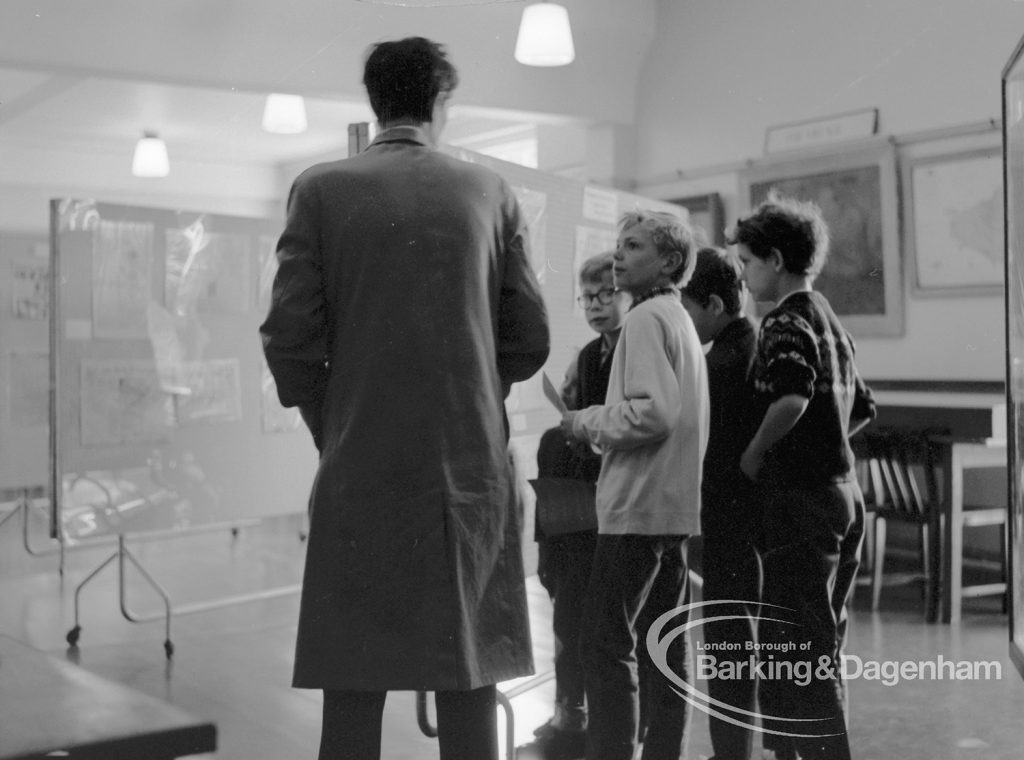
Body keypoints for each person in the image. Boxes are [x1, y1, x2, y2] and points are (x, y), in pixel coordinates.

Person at [259, 37, 550, 760]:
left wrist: (337, 421)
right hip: (467, 469)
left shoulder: (321, 189)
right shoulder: (490, 192)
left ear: (374, 102)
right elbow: (530, 336)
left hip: (362, 463)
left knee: (352, 691)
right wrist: (472, 395)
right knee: (468, 679)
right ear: (441, 102)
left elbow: (289, 338)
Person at [730, 192, 875, 760]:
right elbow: (861, 407)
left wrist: (755, 453)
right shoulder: (830, 318)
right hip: (844, 495)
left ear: (774, 259)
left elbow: (791, 397)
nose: (743, 276)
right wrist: (828, 440)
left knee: (798, 646)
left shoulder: (784, 320)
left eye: (746, 263)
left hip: (803, 501)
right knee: (819, 638)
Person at [562, 209, 709, 760]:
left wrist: (584, 421)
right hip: (670, 508)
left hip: (639, 507)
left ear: (669, 261)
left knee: (603, 644)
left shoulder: (647, 319)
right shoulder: (676, 318)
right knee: (663, 649)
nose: (619, 255)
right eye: (619, 245)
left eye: (633, 246)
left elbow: (653, 413)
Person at [532, 251, 630, 759]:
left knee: (606, 633)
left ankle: (608, 730)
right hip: (579, 509)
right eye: (586, 297)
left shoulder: (637, 352)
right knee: (568, 622)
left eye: (605, 295)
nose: (594, 305)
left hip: (618, 507)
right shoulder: (589, 356)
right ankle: (570, 716)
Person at [679, 247, 760, 760]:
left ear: (711, 304)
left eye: (686, 309)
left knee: (729, 642)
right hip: (751, 518)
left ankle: (730, 753)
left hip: (729, 517)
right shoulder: (752, 344)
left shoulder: (719, 363)